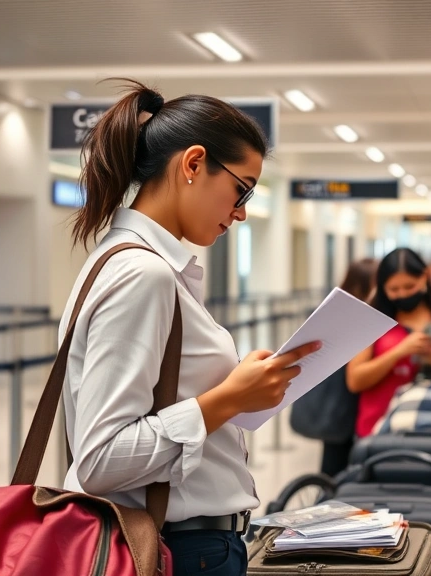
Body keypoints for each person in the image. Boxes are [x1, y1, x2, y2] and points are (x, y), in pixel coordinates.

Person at [61, 80, 321, 576]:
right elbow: (101, 458)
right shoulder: (143, 274)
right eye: (241, 189)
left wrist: (236, 391)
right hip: (178, 551)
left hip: (186, 545)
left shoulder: (138, 265)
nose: (241, 212)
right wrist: (227, 399)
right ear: (193, 164)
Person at [346, 248, 431, 438]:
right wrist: (398, 352)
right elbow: (355, 380)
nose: (402, 294)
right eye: (394, 289)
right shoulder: (372, 323)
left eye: (409, 286)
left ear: (424, 277)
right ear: (382, 287)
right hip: (377, 432)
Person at [317, 258, 378, 476]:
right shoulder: (359, 318)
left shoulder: (334, 312)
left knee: (332, 468)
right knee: (338, 471)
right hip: (344, 408)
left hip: (337, 411)